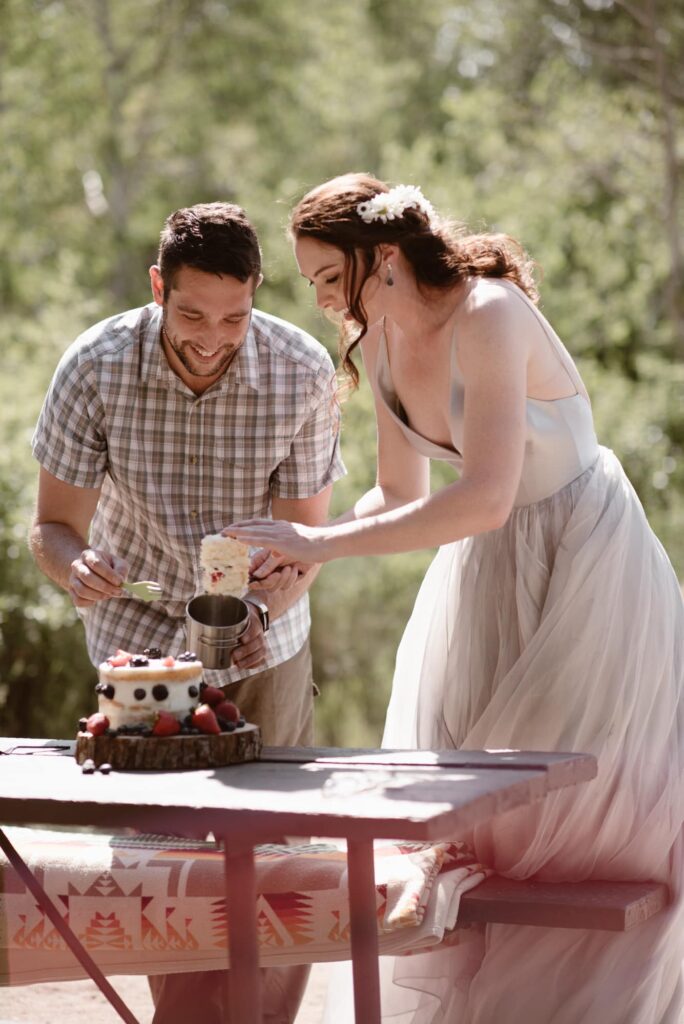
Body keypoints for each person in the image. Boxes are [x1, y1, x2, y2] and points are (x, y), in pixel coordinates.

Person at [227, 174, 684, 1024]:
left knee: (582, 810)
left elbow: (486, 496)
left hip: (581, 559)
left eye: (331, 276)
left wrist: (319, 543)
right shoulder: (379, 342)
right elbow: (395, 496)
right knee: (476, 821)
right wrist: (301, 563)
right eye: (314, 283)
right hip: (483, 577)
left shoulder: (490, 313)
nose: (324, 299)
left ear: (383, 257)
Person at [29, 201, 346, 1024]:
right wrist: (77, 567)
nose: (212, 337)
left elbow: (306, 543)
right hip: (139, 648)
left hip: (264, 647)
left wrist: (261, 613)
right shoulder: (94, 365)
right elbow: (52, 530)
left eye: (235, 317)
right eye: (193, 314)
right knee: (161, 865)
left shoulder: (302, 369)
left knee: (272, 864)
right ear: (157, 287)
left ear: (258, 296)